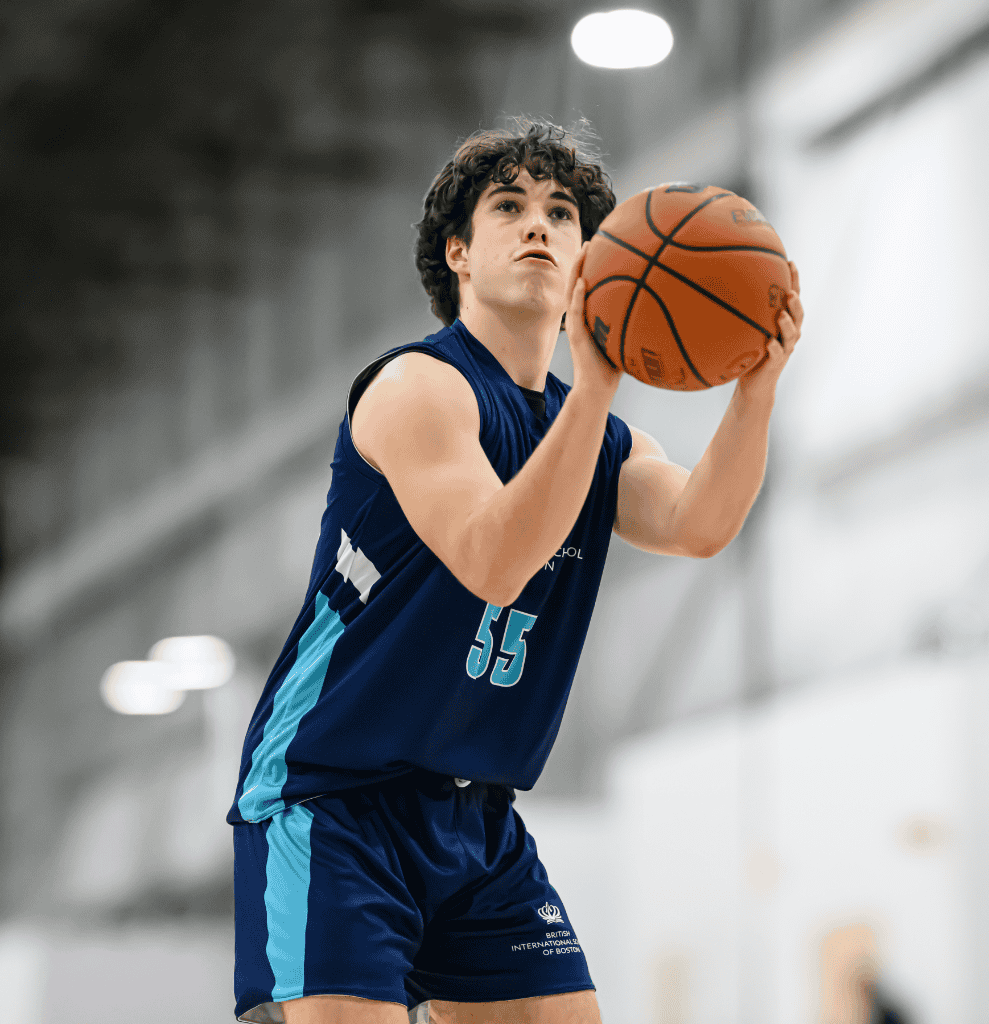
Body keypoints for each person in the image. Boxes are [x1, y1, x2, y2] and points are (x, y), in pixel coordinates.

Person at [225, 119, 805, 1024]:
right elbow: (494, 560)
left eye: (563, 212)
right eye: (509, 207)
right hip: (331, 798)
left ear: (589, 260)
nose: (539, 224)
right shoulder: (419, 389)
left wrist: (756, 390)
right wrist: (602, 381)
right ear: (458, 253)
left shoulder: (599, 436)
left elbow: (700, 524)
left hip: (475, 820)